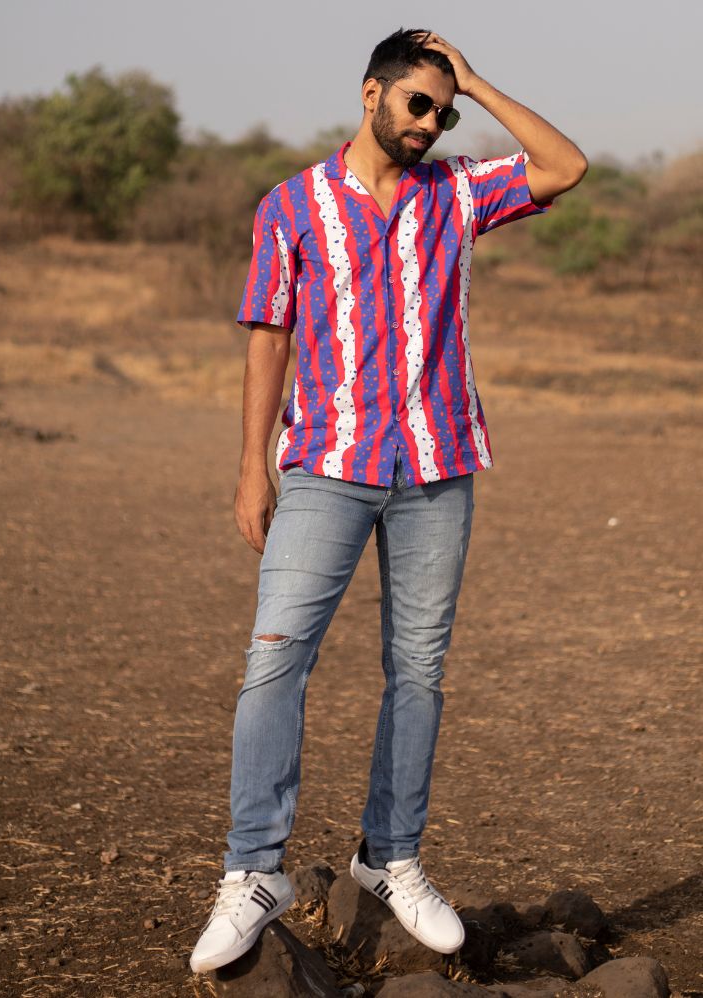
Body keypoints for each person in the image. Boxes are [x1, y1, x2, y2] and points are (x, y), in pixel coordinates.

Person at [190, 27, 587, 975]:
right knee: (273, 660)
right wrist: (251, 467)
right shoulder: (292, 205)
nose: (430, 125)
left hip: (437, 467)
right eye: (418, 104)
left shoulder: (458, 193)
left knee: (418, 671)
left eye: (442, 114)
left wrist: (474, 83)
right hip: (326, 464)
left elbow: (565, 167)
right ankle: (253, 871)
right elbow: (268, 335)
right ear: (371, 93)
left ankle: (391, 856)